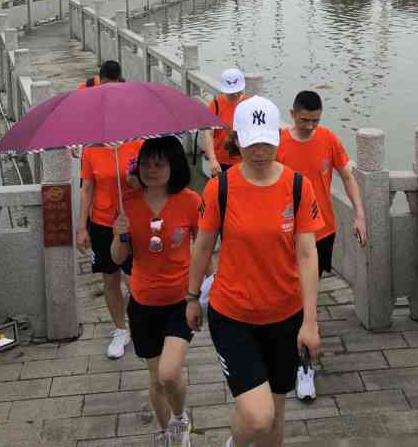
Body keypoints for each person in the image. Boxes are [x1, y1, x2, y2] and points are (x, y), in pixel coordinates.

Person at [186, 96, 324, 447]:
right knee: (258, 416)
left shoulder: (297, 186)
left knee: (275, 414)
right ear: (237, 139)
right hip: (234, 314)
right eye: (251, 143)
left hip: (285, 316)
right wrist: (190, 298)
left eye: (266, 142)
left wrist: (310, 321)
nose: (260, 151)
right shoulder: (221, 188)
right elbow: (203, 246)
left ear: (277, 138)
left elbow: (307, 255)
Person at [276, 89, 367, 401]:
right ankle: (303, 365)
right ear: (292, 114)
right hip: (286, 233)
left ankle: (302, 347)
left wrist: (359, 215)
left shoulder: (328, 138)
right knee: (294, 293)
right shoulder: (278, 143)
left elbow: (347, 176)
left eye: (315, 120)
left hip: (321, 231)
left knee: (306, 293)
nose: (310, 126)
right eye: (304, 120)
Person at [112, 136, 200, 447]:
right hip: (142, 302)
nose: (152, 169)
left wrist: (204, 293)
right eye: (147, 163)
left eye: (160, 163)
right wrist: (119, 235)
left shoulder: (190, 201)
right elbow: (117, 259)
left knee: (168, 372)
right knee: (156, 378)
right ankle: (169, 434)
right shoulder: (128, 204)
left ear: (174, 166)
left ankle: (180, 416)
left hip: (180, 299)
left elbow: (203, 250)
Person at [76, 136, 142, 359]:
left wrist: (135, 179)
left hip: (134, 220)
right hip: (102, 223)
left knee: (137, 278)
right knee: (110, 276)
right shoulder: (90, 149)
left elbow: (149, 182)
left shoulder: (139, 144)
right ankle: (121, 330)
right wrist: (81, 228)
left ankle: (143, 323)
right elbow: (87, 188)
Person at [202, 68, 247, 176]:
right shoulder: (215, 105)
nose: (235, 94)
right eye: (231, 92)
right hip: (220, 160)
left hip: (243, 160)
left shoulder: (248, 104)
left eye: (237, 91)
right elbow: (208, 134)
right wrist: (212, 160)